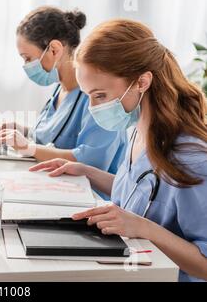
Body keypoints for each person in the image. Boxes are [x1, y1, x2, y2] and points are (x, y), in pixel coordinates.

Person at [30, 19, 207, 282]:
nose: (92, 107)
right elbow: (140, 193)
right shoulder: (137, 128)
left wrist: (144, 228)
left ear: (142, 82)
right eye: (89, 95)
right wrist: (86, 172)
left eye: (100, 95)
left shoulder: (192, 159)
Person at [0, 6, 127, 176]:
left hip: (88, 194)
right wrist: (22, 131)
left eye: (28, 58)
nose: (26, 66)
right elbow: (54, 138)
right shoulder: (61, 88)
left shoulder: (100, 96)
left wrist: (27, 147)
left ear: (54, 49)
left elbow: (91, 162)